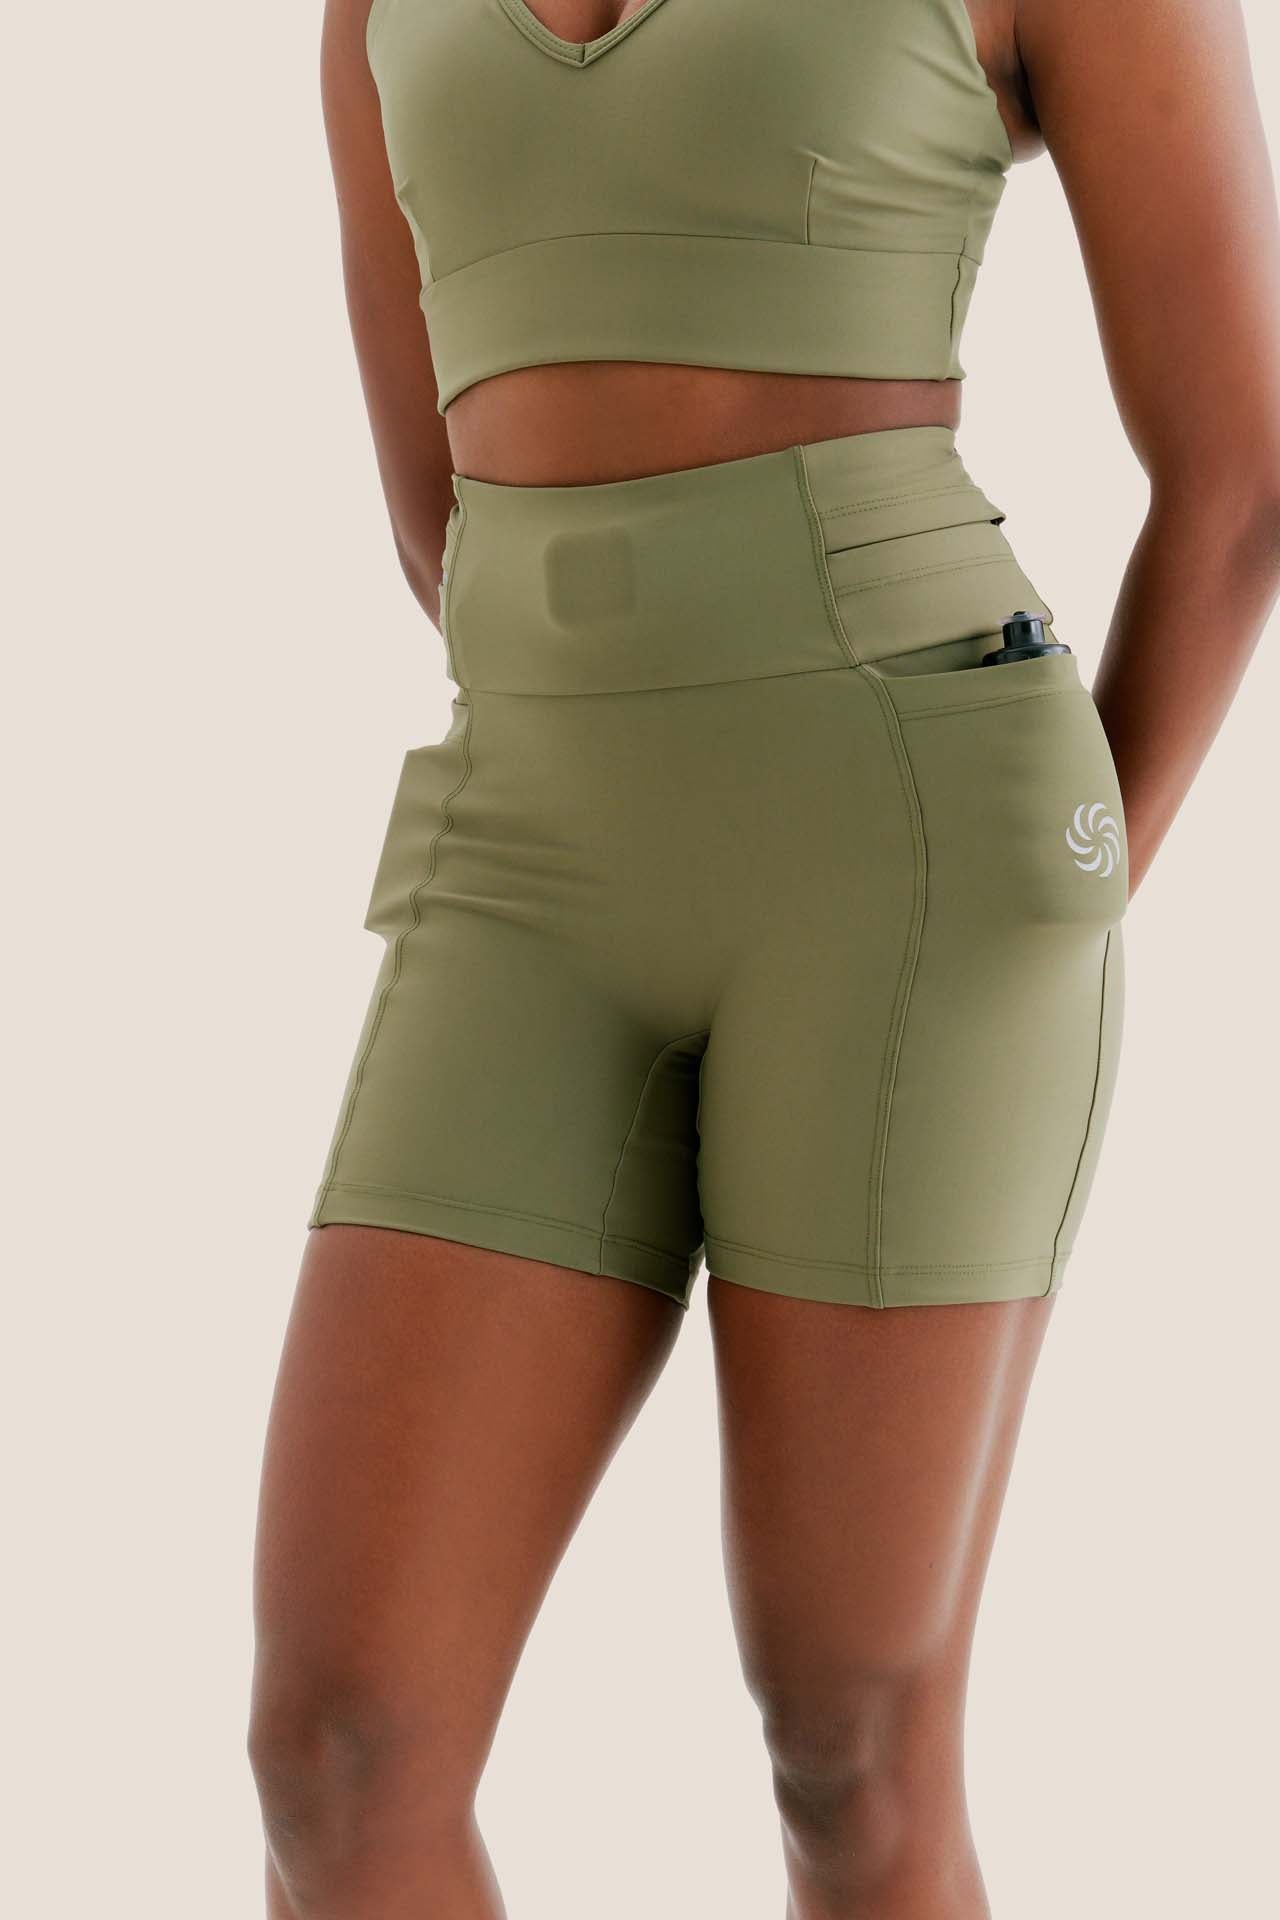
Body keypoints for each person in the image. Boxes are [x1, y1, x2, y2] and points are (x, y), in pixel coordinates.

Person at [248, 3, 1280, 1914]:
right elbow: (442, 510)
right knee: (342, 1748)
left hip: (906, 838)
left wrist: (1051, 895)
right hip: (530, 840)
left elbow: (1242, 470)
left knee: (849, 1742)